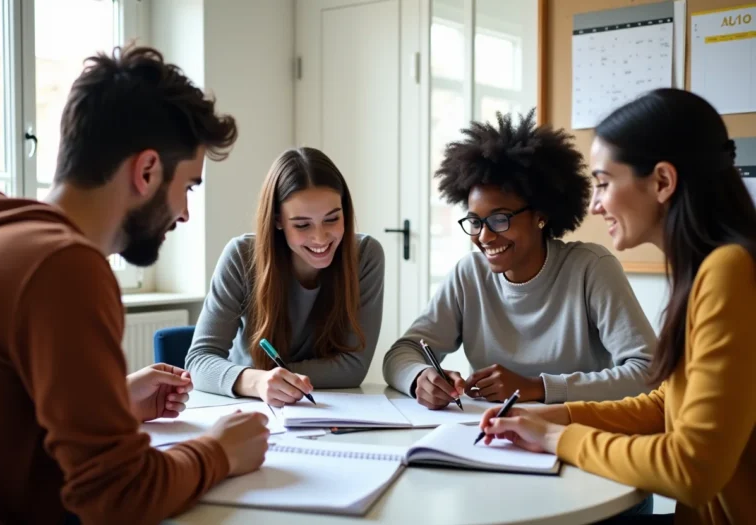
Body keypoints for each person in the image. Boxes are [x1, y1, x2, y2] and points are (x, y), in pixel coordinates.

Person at [0, 46, 270, 524]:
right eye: (188, 187)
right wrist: (219, 451)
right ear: (146, 171)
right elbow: (119, 497)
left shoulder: (4, 229)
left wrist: (114, 399)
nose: (185, 213)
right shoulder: (63, 267)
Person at [479, 88, 756, 525]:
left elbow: (693, 470)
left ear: (662, 182)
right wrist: (558, 415)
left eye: (604, 183)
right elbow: (668, 406)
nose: (595, 205)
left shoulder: (729, 272)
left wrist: (555, 438)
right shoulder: (710, 267)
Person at [384, 110, 657, 407]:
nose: (484, 236)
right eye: (475, 221)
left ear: (541, 215)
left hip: (571, 427)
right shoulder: (469, 275)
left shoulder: (590, 269)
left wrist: (537, 387)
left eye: (499, 219)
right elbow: (402, 353)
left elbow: (647, 373)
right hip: (488, 429)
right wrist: (421, 378)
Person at [185, 147, 385, 406]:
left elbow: (353, 368)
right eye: (302, 225)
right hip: (250, 405)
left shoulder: (366, 256)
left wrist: (272, 375)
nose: (320, 237)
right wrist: (258, 382)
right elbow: (199, 361)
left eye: (332, 219)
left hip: (327, 408)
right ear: (278, 220)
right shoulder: (241, 257)